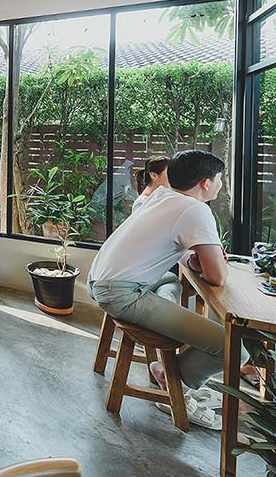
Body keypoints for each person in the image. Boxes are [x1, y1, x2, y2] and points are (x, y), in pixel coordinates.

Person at [88, 150, 236, 395]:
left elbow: (181, 253)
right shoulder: (196, 210)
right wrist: (210, 261)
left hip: (98, 280)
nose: (221, 184)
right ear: (205, 183)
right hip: (120, 294)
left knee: (171, 281)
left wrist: (195, 262)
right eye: (219, 178)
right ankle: (169, 374)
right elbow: (217, 277)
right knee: (230, 347)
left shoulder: (161, 195)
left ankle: (163, 314)